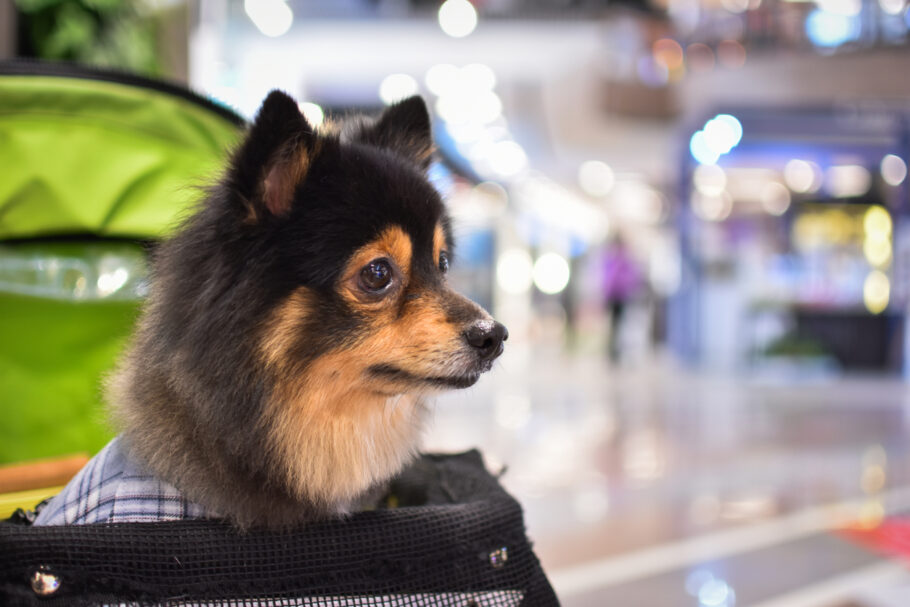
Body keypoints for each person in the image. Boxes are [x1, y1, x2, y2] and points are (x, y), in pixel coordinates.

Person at [602, 235, 641, 362]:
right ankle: (613, 350)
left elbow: (630, 277)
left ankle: (617, 350)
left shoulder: (621, 259)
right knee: (614, 323)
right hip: (614, 295)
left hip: (620, 295)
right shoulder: (613, 259)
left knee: (619, 324)